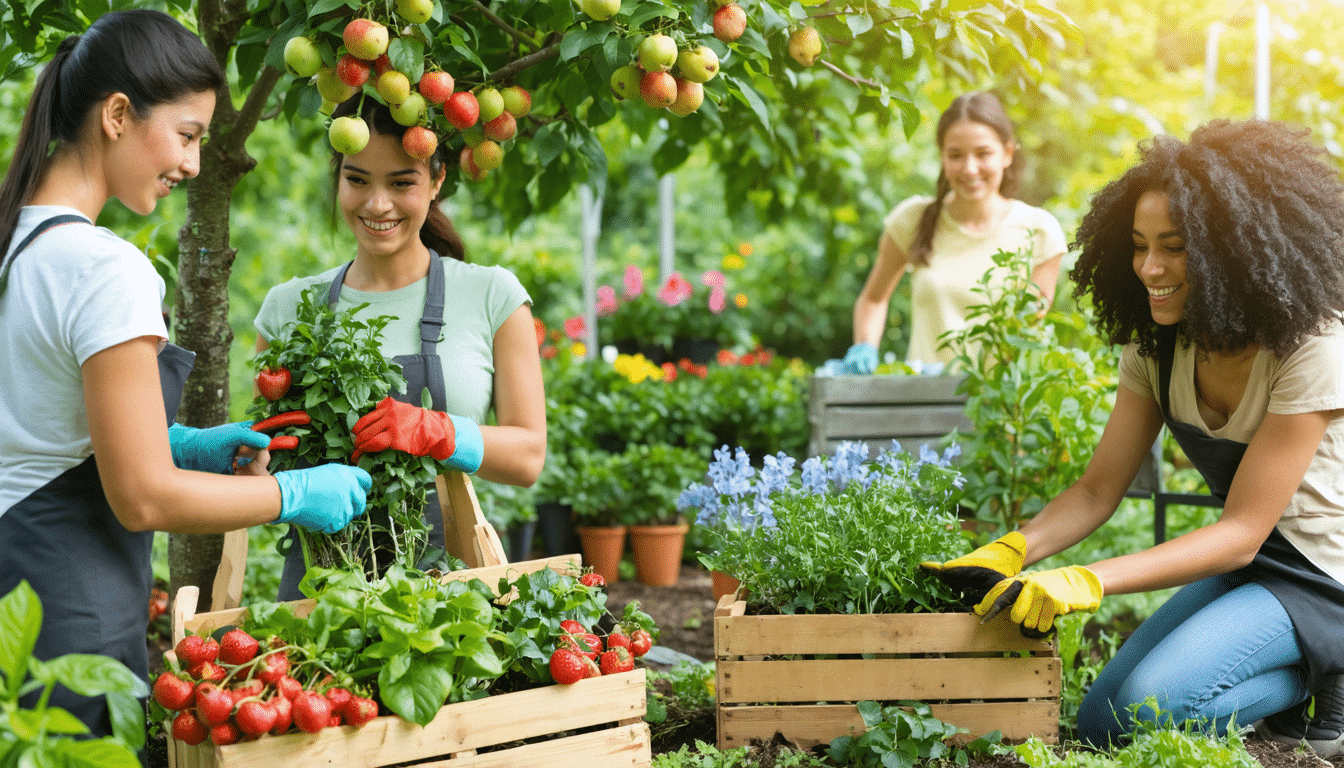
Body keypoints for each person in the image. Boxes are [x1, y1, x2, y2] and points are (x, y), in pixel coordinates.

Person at [0, 10, 373, 739]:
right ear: (116, 115)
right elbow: (140, 497)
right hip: (67, 624)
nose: (195, 164)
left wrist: (178, 442)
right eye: (188, 134)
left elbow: (37, 424)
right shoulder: (104, 268)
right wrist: (290, 493)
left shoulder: (16, 245)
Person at [921, 119, 1344, 754]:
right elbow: (1096, 491)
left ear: (1230, 251)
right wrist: (1013, 549)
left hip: (1322, 573)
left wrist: (1085, 580)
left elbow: (1240, 531)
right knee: (1101, 725)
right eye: (1140, 244)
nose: (1150, 268)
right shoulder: (1156, 346)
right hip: (1254, 568)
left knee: (1149, 711)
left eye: (1175, 247)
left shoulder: (1311, 346)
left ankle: (1332, 669)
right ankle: (1316, 673)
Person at [254, 96, 546, 599]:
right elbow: (264, 462)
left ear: (436, 181)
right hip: (318, 591)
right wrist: (245, 457)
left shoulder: (491, 294)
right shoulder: (289, 308)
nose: (377, 204)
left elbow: (528, 457)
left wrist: (439, 431)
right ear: (338, 178)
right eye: (358, 179)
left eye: (402, 182)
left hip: (451, 595)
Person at [843, 91, 1066, 374]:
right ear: (942, 157)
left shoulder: (1039, 230)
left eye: (983, 153)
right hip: (924, 403)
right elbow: (873, 299)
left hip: (1000, 406)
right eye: (956, 155)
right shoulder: (912, 220)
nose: (970, 169)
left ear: (1007, 154)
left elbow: (1028, 331)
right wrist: (865, 344)